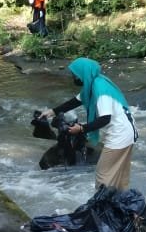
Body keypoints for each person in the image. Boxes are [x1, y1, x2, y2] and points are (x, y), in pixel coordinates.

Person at [40, 58, 138, 190]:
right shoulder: (94, 84)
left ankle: (104, 207)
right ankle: (126, 207)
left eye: (75, 74)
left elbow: (105, 119)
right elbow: (74, 102)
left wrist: (81, 129)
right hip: (127, 132)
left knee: (102, 176)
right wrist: (52, 112)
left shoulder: (99, 89)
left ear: (83, 73)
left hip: (120, 135)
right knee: (120, 178)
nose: (73, 77)